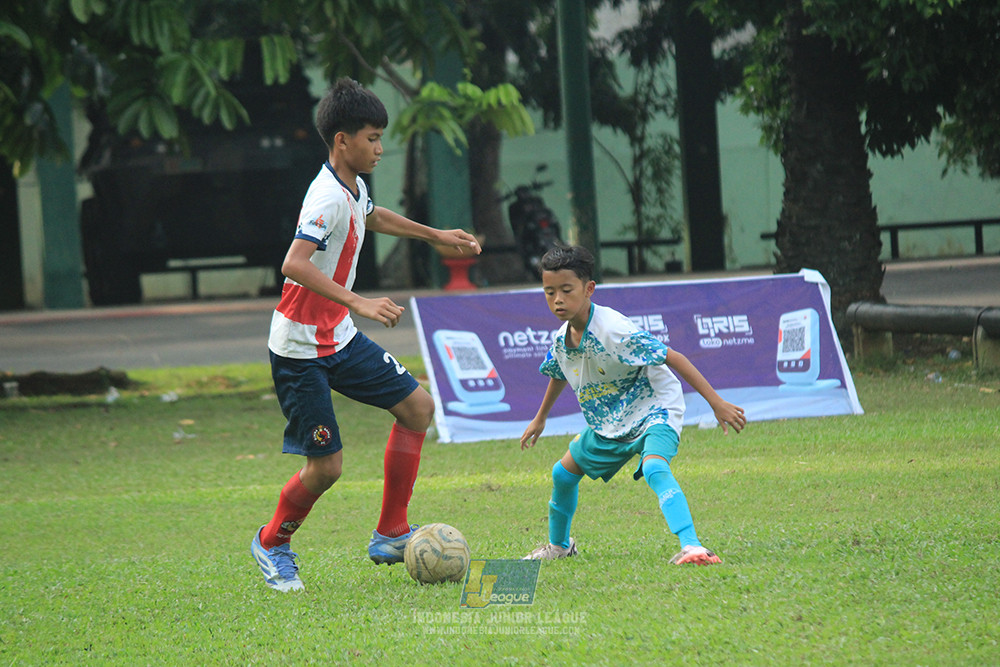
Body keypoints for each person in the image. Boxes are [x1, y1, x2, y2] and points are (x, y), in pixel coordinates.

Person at [251, 77, 480, 592]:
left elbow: (371, 216)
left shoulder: (351, 187)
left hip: (339, 338)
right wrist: (358, 301)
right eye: (372, 138)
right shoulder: (326, 198)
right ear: (342, 141)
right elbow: (293, 263)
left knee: (418, 408)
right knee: (326, 468)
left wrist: (435, 235)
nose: (380, 148)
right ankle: (272, 542)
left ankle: (391, 532)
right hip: (299, 350)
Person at [519, 245, 745, 565]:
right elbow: (559, 372)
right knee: (563, 474)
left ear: (589, 289)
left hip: (655, 408)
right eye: (549, 292)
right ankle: (559, 546)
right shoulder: (561, 339)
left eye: (566, 290)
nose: (557, 300)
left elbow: (674, 357)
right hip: (610, 420)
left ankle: (693, 546)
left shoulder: (614, 330)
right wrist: (540, 418)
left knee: (654, 467)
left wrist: (716, 403)